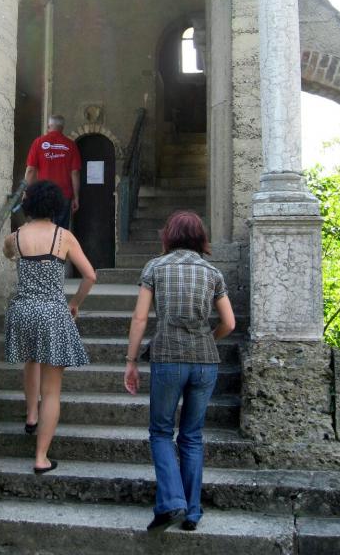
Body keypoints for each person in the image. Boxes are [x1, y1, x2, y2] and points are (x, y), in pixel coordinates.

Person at [123, 210, 235, 532]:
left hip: (168, 358)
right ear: (200, 238)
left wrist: (131, 361)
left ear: (169, 236)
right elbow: (229, 323)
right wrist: (209, 339)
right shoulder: (212, 272)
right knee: (192, 435)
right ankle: (192, 512)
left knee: (161, 432)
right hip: (204, 363)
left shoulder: (155, 268)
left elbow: (140, 318)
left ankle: (172, 501)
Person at [3, 180, 96, 474]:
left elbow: (9, 255)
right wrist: (75, 303)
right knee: (52, 391)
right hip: (53, 311)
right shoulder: (63, 236)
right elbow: (90, 276)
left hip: (23, 310)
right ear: (56, 205)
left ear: (28, 204)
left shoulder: (14, 237)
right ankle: (41, 457)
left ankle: (31, 415)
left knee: (30, 360)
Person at [24, 115, 81, 229]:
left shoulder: (38, 143)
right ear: (62, 127)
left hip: (43, 195)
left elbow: (30, 170)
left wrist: (26, 192)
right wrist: (76, 197)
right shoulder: (71, 145)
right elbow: (75, 173)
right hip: (64, 195)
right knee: (60, 231)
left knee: (42, 228)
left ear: (49, 126)